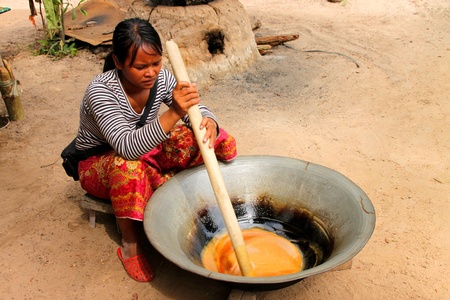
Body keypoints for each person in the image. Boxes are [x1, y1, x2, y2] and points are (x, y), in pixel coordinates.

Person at [74, 17, 237, 282]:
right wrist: (174, 110)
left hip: (145, 150)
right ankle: (130, 246)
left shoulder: (160, 77)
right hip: (100, 163)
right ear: (118, 62)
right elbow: (127, 148)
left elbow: (194, 110)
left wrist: (209, 121)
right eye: (140, 67)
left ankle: (158, 181)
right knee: (127, 167)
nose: (151, 72)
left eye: (156, 63)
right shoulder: (101, 91)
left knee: (196, 135)